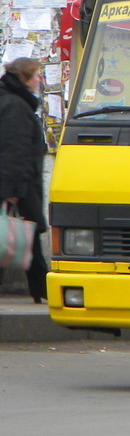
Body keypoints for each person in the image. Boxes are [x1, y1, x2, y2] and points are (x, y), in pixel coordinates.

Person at [0, 57, 49, 303]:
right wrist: (12, 190)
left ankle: (40, 288)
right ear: (25, 78)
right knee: (26, 235)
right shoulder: (16, 106)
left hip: (17, 181)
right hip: (18, 184)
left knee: (20, 237)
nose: (40, 80)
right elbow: (14, 150)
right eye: (36, 75)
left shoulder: (12, 100)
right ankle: (41, 288)